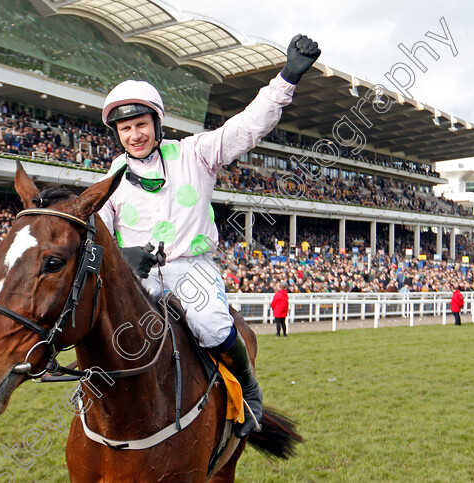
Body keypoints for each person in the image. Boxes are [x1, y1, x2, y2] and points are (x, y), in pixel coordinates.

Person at [97, 34, 320, 438]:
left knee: (213, 325)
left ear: (156, 124)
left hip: (190, 270)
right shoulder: (111, 180)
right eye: (126, 128)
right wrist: (122, 255)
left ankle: (249, 390)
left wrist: (287, 78)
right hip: (135, 281)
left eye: (141, 125)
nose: (134, 135)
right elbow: (99, 239)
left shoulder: (194, 154)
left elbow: (248, 126)